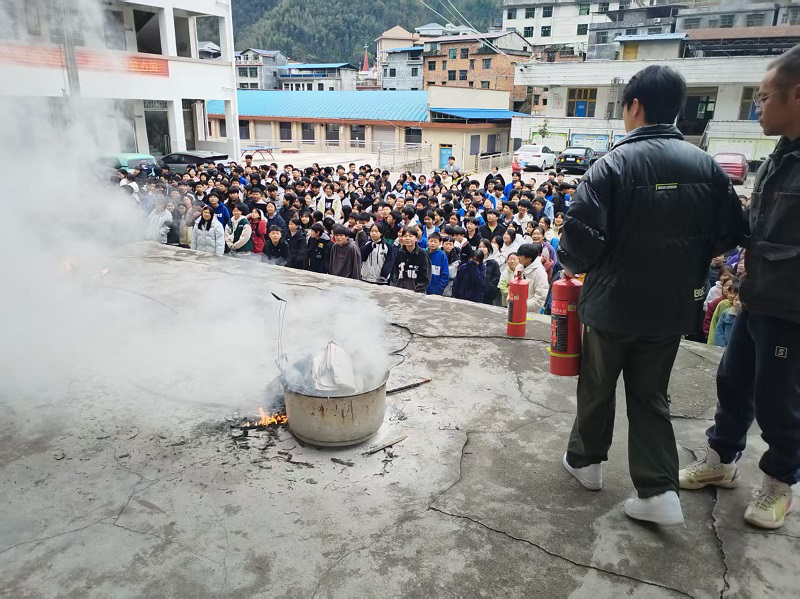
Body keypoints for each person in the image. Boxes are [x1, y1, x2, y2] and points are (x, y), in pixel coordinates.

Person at [557, 64, 742, 526]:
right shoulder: (707, 167)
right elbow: (731, 233)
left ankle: (587, 464)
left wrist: (583, 267)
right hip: (671, 306)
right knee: (651, 393)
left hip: (611, 304)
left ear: (635, 106)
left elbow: (577, 243)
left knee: (597, 385)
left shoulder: (611, 165)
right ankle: (658, 490)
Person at [679, 47, 800, 530]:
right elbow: (756, 225)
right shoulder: (781, 155)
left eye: (764, 98)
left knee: (779, 399)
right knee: (733, 381)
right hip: (756, 296)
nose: (757, 108)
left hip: (790, 309)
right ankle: (722, 460)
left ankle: (779, 483)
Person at [392, 226, 431, 293]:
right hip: (400, 291)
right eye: (405, 236)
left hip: (416, 293)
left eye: (410, 236)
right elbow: (395, 271)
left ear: (416, 238)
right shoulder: (400, 252)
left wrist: (417, 289)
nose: (407, 238)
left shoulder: (422, 254)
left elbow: (426, 276)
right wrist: (397, 284)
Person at [516, 243, 549, 314]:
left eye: (520, 256)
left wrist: (521, 306)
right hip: (515, 309)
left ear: (528, 258)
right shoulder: (519, 268)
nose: (518, 258)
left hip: (531, 312)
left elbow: (540, 298)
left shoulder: (540, 272)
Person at [478, 238, 501, 305]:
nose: (481, 249)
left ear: (489, 248)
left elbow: (496, 279)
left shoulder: (493, 263)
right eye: (480, 247)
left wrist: (487, 288)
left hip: (487, 296)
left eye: (484, 247)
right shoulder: (474, 261)